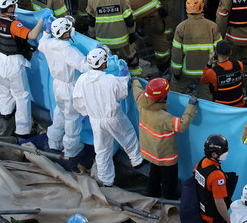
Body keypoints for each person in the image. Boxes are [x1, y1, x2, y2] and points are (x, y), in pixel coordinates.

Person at [72, 47, 143, 186]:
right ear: (103, 64)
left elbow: (77, 100)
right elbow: (122, 94)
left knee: (102, 149)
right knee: (128, 136)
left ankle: (106, 179)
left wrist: (85, 112)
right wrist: (124, 77)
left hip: (95, 120)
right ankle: (137, 160)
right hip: (113, 117)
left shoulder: (82, 79)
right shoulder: (110, 79)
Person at [0, 0, 43, 137]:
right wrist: (42, 19)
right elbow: (33, 35)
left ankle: (5, 112)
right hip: (14, 64)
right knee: (22, 96)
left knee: (4, 88)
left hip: (0, 60)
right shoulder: (14, 25)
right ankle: (23, 130)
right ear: (11, 8)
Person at [133, 77, 198, 199]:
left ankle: (152, 193)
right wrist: (191, 106)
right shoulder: (164, 117)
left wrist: (135, 81)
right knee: (169, 179)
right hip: (166, 155)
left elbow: (137, 92)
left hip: (151, 152)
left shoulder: (141, 103)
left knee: (154, 174)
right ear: (162, 98)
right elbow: (182, 125)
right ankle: (169, 199)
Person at [37, 17, 86, 158]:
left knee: (60, 112)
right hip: (69, 87)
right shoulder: (68, 50)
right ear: (65, 34)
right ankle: (70, 150)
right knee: (72, 118)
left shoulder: (50, 44)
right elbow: (84, 66)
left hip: (57, 85)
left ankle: (54, 141)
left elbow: (41, 44)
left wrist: (46, 32)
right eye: (70, 29)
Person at [86, 0, 140, 75]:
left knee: (108, 66)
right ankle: (136, 82)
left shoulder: (92, 0)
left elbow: (91, 22)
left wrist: (92, 36)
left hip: (103, 43)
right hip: (123, 42)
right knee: (132, 62)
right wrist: (132, 34)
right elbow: (129, 20)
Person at [171, 0, 220, 100]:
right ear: (202, 7)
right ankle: (206, 115)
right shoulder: (212, 26)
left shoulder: (181, 27)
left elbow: (176, 53)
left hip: (187, 71)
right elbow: (219, 50)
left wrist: (176, 72)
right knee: (207, 98)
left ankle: (175, 113)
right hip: (207, 71)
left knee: (174, 94)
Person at [194, 134, 233, 223]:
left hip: (201, 213)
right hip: (213, 219)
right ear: (214, 154)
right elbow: (219, 203)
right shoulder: (217, 176)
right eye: (223, 152)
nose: (226, 153)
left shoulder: (201, 163)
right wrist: (230, 220)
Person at [201, 40, 246, 107]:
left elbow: (203, 80)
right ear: (230, 53)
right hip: (240, 106)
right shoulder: (239, 64)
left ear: (216, 53)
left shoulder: (212, 72)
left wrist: (209, 64)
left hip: (222, 109)